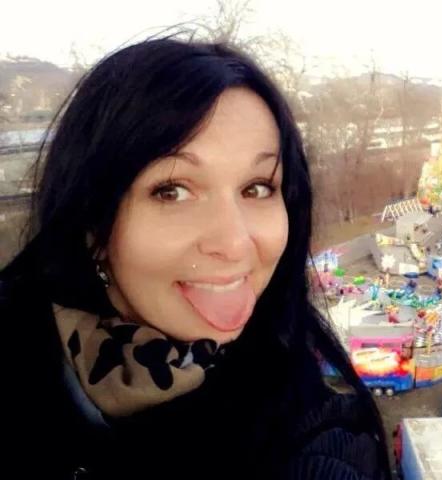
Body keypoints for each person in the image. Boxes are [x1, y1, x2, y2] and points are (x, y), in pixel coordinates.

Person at [0, 39, 391, 479]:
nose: (235, 243)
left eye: (257, 188)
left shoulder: (315, 437)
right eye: (173, 191)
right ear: (93, 222)